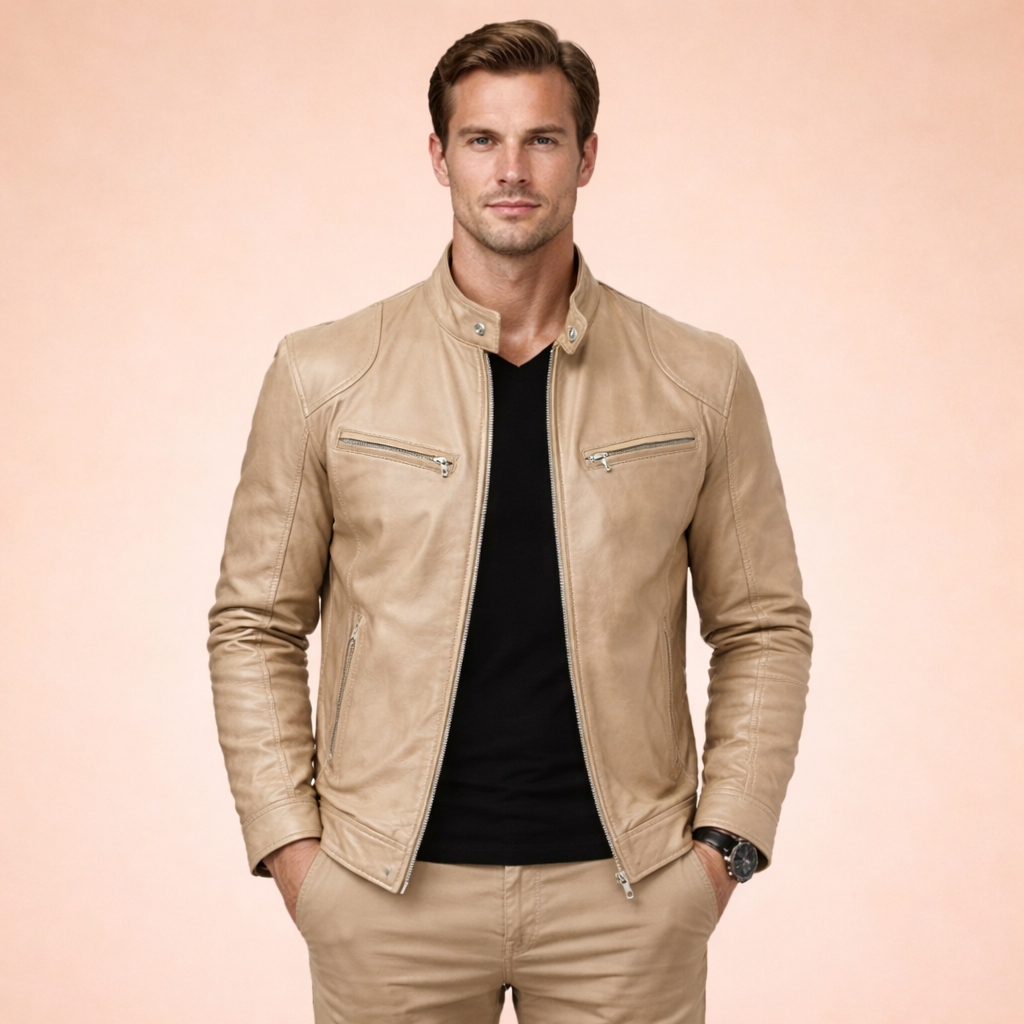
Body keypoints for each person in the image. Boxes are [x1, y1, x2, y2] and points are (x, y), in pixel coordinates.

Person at [209, 19, 811, 1024]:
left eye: (542, 139)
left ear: (587, 155)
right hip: (384, 895)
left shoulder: (698, 378)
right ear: (438, 155)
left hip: (628, 899)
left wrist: (727, 845)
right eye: (482, 139)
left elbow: (763, 624)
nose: (512, 170)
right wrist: (294, 852)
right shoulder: (324, 375)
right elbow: (253, 623)